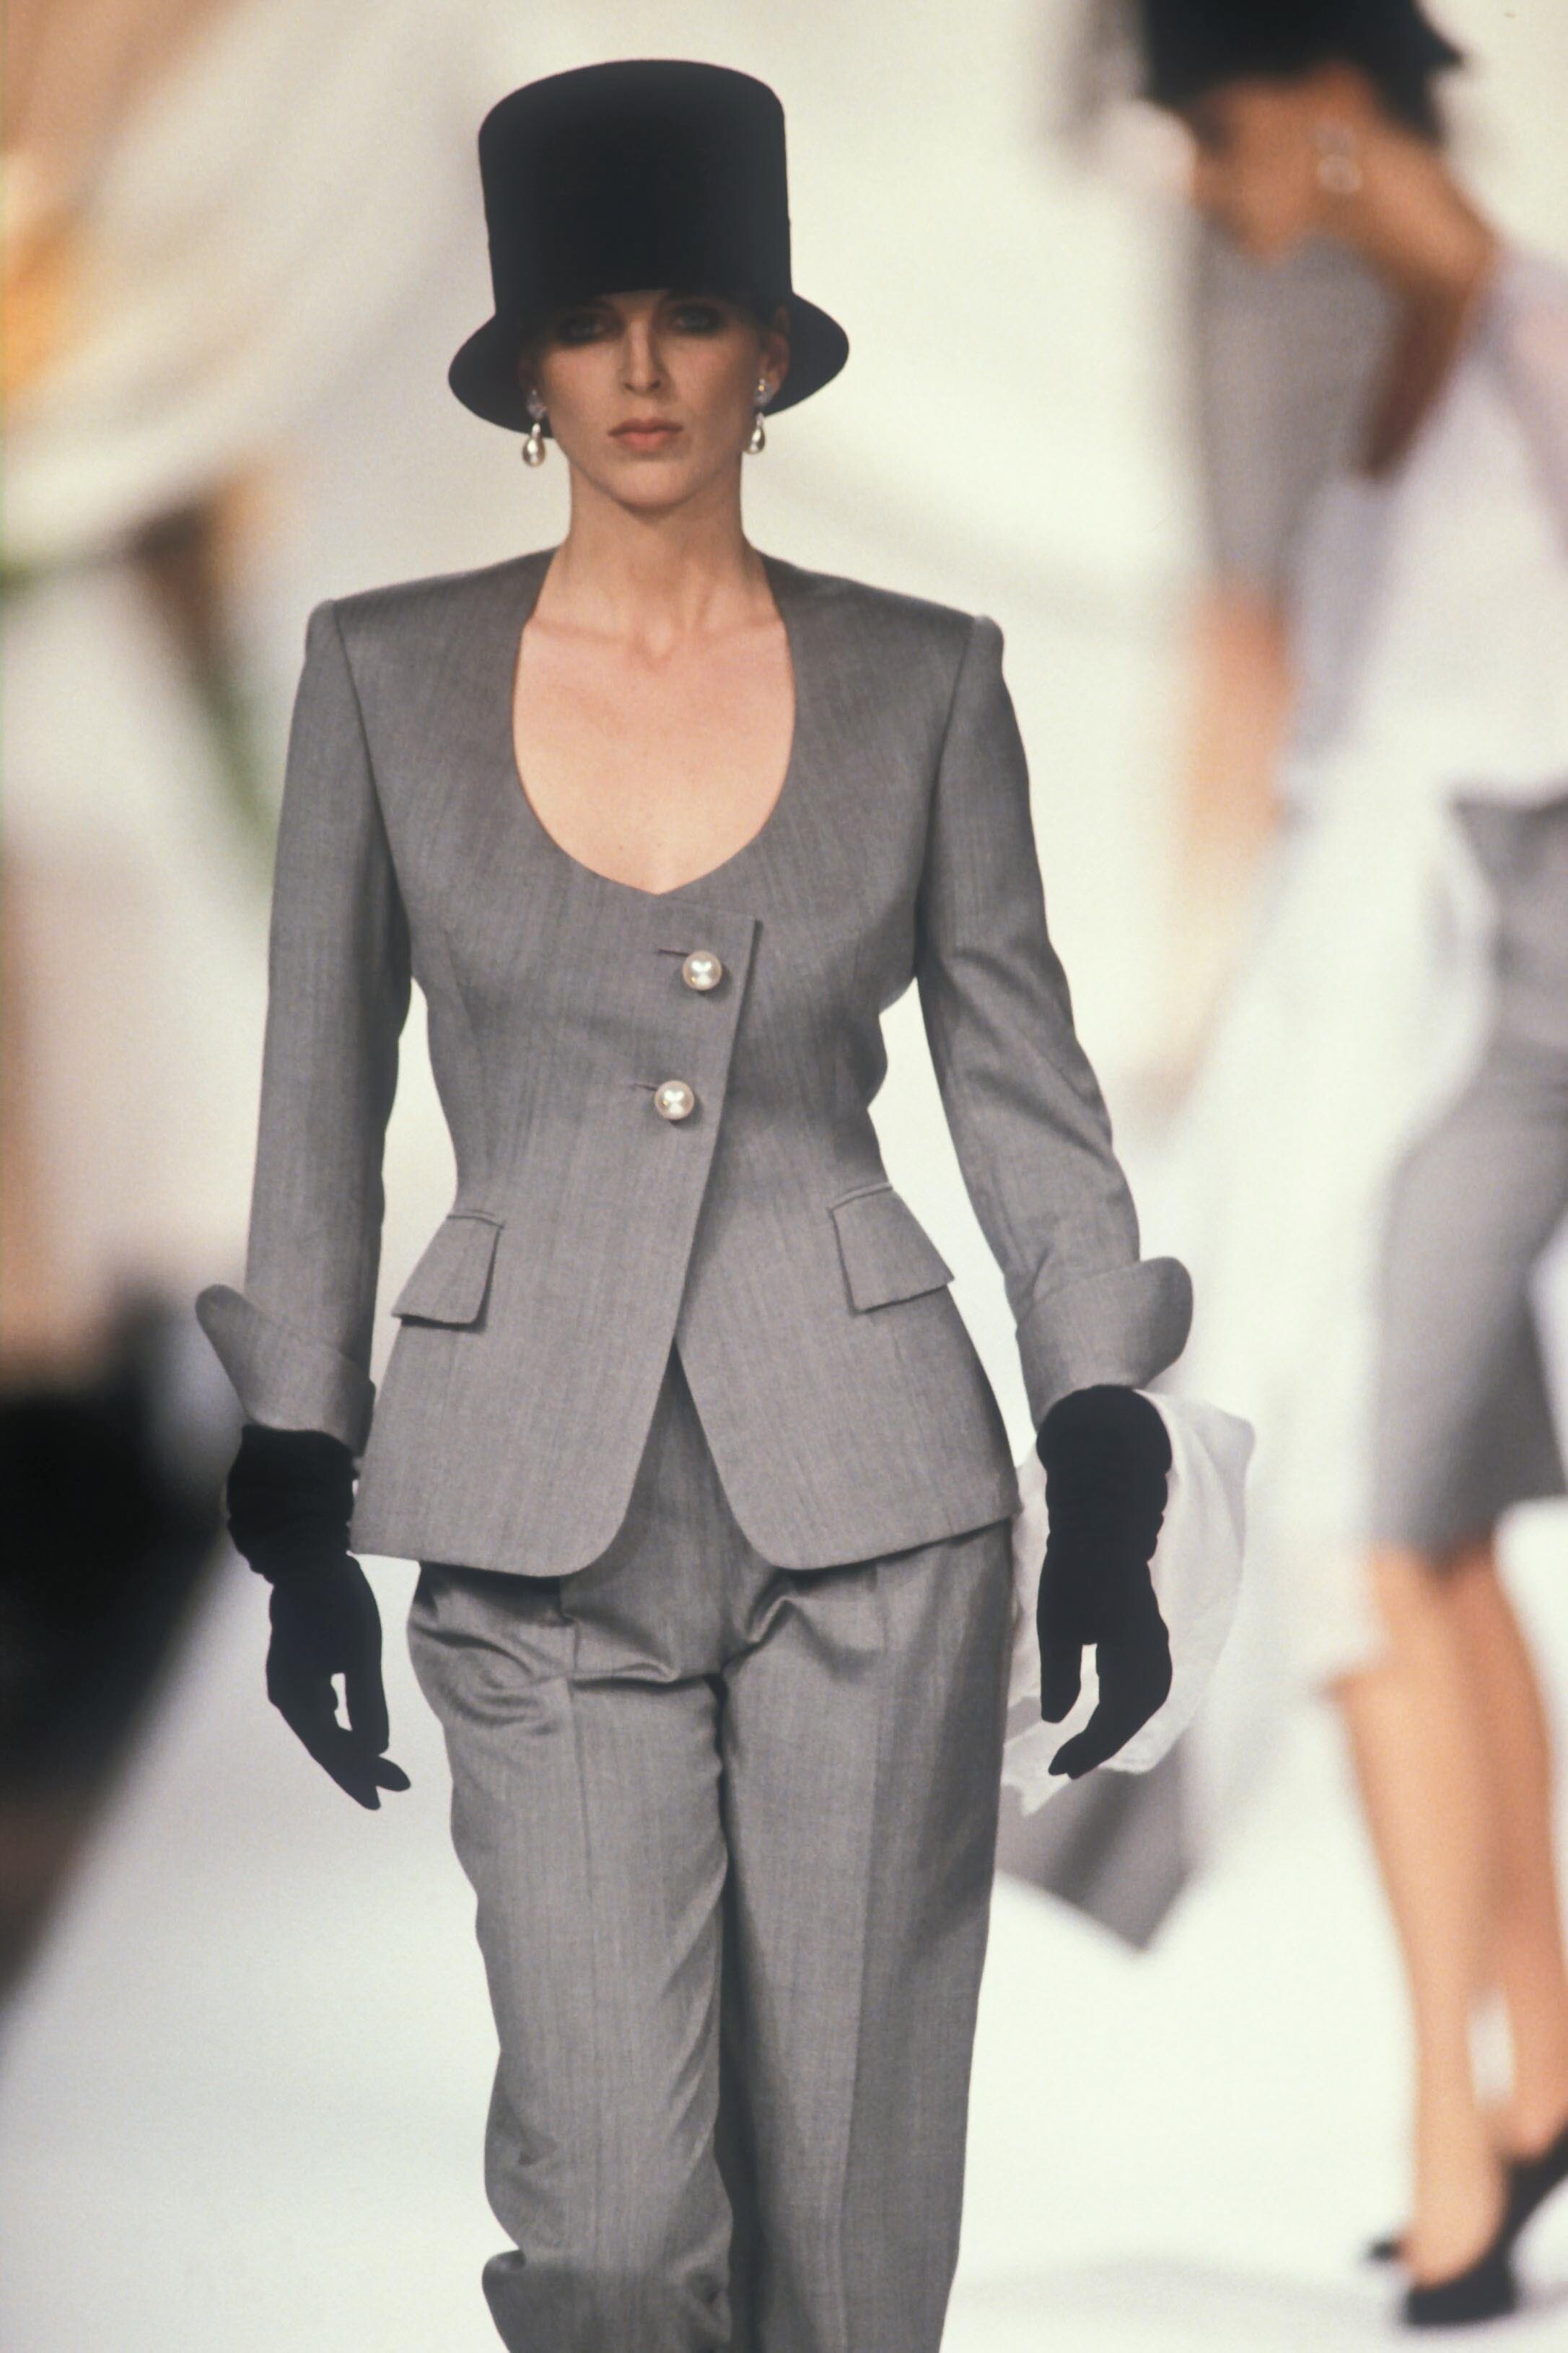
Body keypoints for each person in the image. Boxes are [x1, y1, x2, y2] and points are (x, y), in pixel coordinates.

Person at [192, 60, 1191, 2353]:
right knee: (617, 2233)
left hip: (880, 1513)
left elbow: (1025, 1095)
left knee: (847, 2242)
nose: (640, 369)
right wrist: (301, 1488)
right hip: (531, 1524)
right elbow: (316, 1100)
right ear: (530, 374)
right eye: (588, 322)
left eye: (689, 315)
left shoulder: (925, 686)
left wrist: (1105, 1447)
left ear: (768, 349)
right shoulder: (384, 680)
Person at [1135, 0, 1568, 2328]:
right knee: (1438, 1538)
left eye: (1213, 135)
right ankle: (1536, 2068)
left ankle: (1449, 2143)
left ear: (1320, 110)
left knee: (1366, 1544)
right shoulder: (1411, 340)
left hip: (1479, 1018)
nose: (1203, 187)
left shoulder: (1533, 338)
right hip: (1366, 1017)